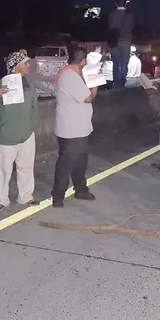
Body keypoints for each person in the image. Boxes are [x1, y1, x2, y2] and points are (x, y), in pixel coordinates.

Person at [0, 50, 40, 211]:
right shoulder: (1, 84)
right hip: (6, 135)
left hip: (27, 133)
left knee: (26, 167)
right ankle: (2, 199)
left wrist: (33, 126)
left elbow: (33, 107)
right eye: (25, 63)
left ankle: (26, 196)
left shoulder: (28, 83)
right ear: (16, 67)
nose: (29, 65)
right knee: (4, 169)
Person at [51, 47, 98, 208]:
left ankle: (80, 189)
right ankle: (58, 195)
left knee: (80, 161)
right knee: (66, 163)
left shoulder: (70, 74)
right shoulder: (70, 76)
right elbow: (87, 98)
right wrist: (96, 83)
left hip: (79, 128)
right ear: (83, 61)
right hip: (72, 129)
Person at [107, 0, 135, 88]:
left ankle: (116, 83)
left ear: (116, 4)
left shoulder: (112, 14)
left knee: (116, 63)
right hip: (126, 41)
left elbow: (109, 26)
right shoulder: (130, 15)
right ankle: (122, 82)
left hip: (115, 41)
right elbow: (133, 26)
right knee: (124, 63)